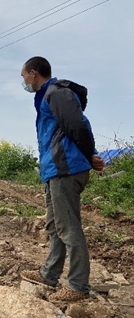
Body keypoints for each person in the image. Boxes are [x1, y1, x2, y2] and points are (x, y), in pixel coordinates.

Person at [19, 56, 105, 301]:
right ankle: (49, 273)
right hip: (54, 171)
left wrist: (90, 154)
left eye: (23, 75)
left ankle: (78, 285)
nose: (23, 80)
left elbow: (78, 125)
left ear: (34, 73)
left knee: (68, 226)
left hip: (65, 169)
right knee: (55, 225)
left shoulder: (56, 93)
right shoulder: (47, 96)